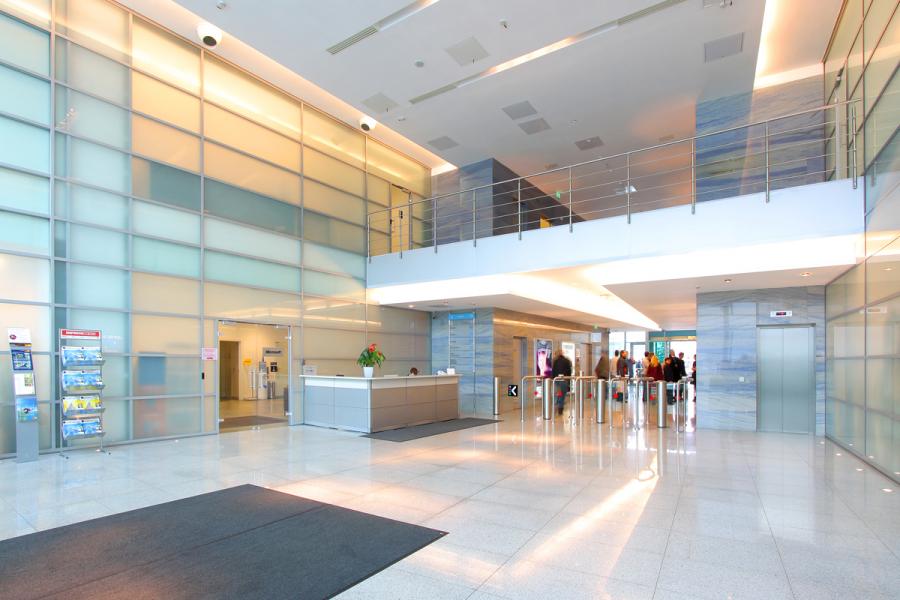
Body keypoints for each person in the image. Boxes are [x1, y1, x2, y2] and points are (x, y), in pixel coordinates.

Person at [551, 349, 573, 415]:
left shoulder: (555, 361)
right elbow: (569, 371)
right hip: (564, 380)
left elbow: (553, 371)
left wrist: (553, 379)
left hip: (556, 380)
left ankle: (554, 408)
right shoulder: (567, 361)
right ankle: (560, 410)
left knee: (557, 394)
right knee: (562, 396)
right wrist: (568, 381)